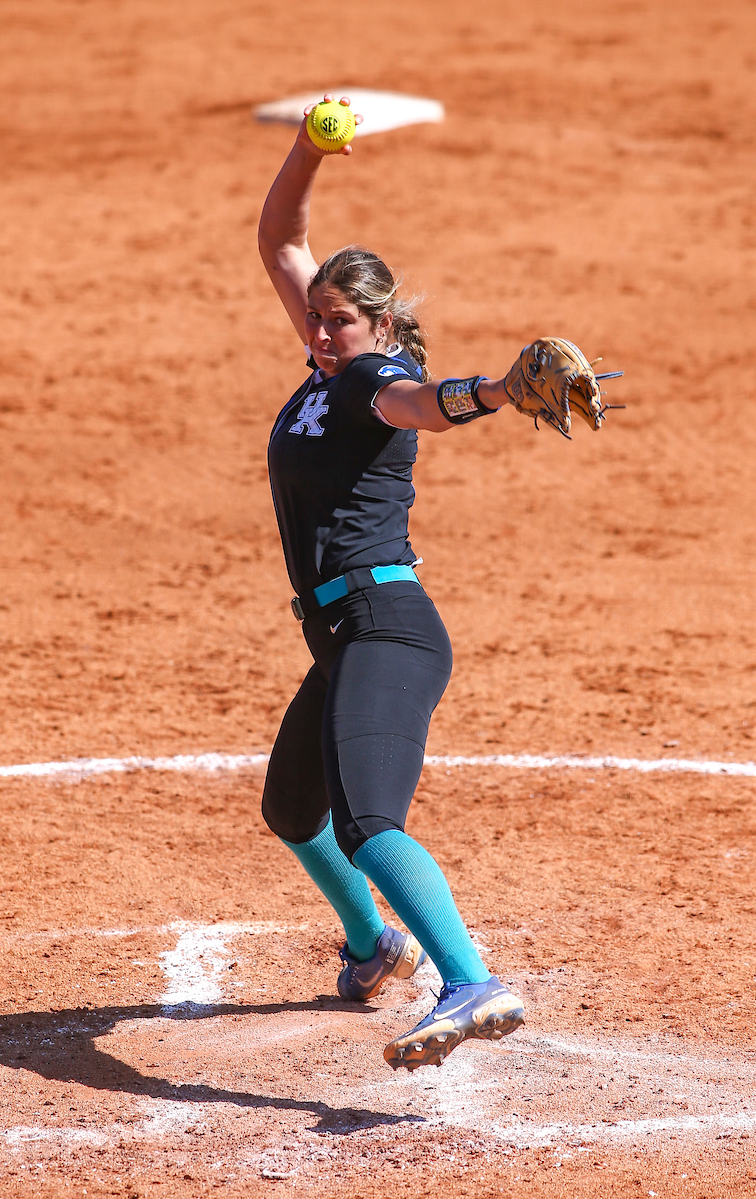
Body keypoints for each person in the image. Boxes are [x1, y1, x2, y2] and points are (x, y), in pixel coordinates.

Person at [257, 95, 525, 1072]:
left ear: (376, 323)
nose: (323, 334)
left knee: (367, 820)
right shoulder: (324, 368)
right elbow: (279, 238)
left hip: (383, 625)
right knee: (293, 810)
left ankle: (468, 979)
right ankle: (373, 948)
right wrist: (305, 148)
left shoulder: (377, 378)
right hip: (336, 640)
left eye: (339, 322)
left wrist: (493, 392)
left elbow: (428, 404)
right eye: (318, 321)